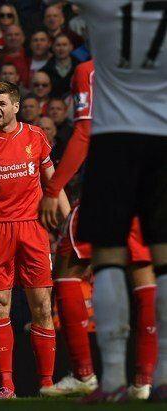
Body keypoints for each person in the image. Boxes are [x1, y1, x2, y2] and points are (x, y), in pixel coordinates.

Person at [63, 1, 167, 402]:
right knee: (162, 259)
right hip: (162, 137)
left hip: (114, 140)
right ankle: (161, 378)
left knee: (106, 256)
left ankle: (111, 381)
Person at [41, 58, 158, 400]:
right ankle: (143, 381)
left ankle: (83, 374)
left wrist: (52, 190)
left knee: (66, 269)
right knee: (144, 274)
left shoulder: (92, 69)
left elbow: (84, 132)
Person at [0, 81, 70, 398]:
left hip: (32, 228)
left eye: (2, 103)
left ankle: (46, 384)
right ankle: (6, 384)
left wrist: (70, 224)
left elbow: (54, 184)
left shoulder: (35, 136)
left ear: (16, 106)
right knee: (0, 305)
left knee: (42, 307)